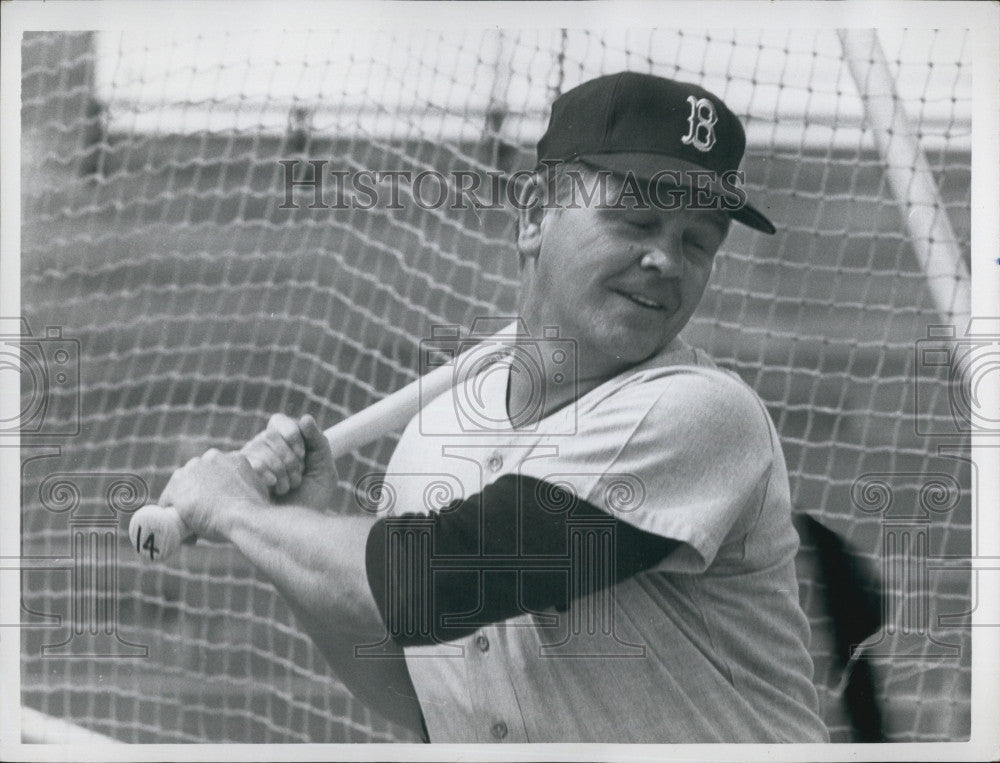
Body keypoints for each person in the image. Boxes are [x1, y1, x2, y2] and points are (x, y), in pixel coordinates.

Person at [158, 72, 830, 743]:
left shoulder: (703, 415)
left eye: (698, 240)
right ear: (536, 213)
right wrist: (300, 528)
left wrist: (237, 509)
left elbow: (438, 578)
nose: (667, 259)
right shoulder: (435, 438)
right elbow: (422, 694)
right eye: (638, 218)